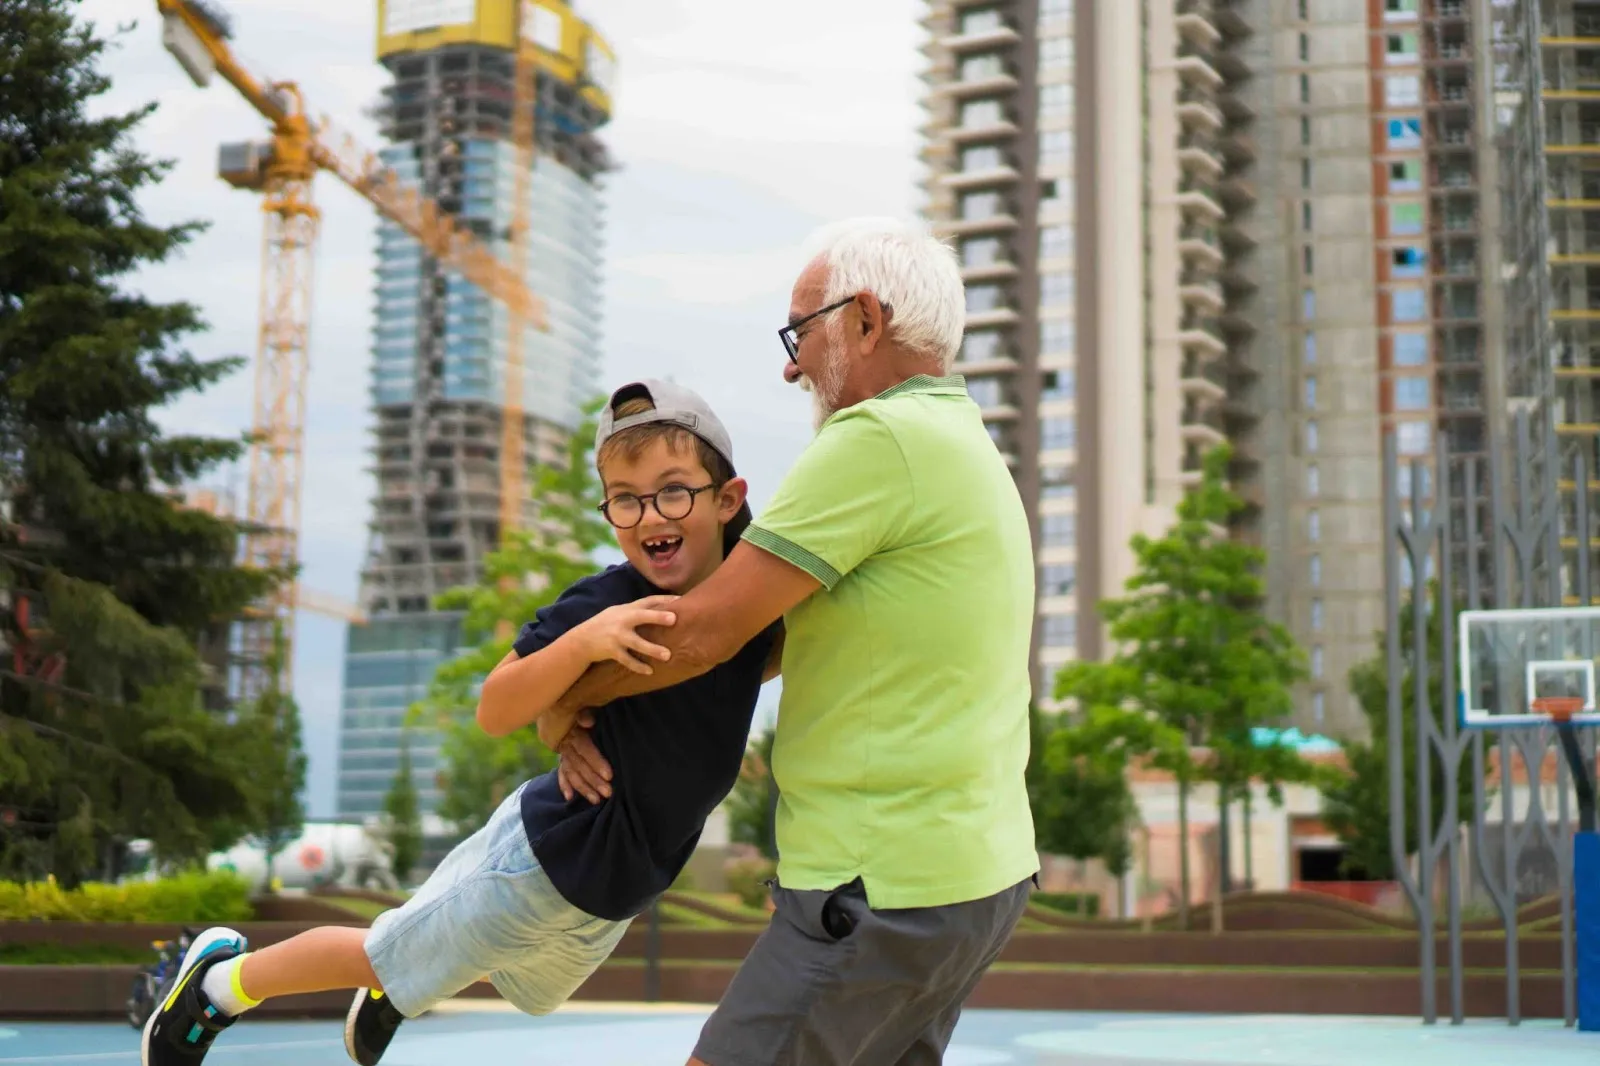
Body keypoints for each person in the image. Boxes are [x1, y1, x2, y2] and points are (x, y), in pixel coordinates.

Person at [141, 381, 782, 1066]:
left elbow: (753, 673)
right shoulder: (607, 600)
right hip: (552, 848)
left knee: (529, 991)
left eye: (673, 489)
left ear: (729, 498)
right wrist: (583, 647)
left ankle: (394, 985)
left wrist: (567, 721)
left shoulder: (747, 610)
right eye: (626, 497)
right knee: (382, 949)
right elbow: (497, 706)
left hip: (620, 883)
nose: (650, 513)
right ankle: (217, 985)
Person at [541, 217, 1039, 1066]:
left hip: (881, 885)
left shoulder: (877, 439)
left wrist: (554, 701)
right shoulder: (960, 440)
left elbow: (702, 635)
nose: (790, 362)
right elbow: (784, 640)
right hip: (975, 876)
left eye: (801, 331)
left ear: (866, 321)